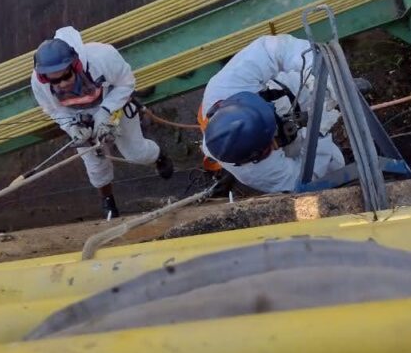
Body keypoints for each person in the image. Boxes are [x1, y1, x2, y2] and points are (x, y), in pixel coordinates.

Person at [31, 26, 173, 218]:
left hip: (113, 103)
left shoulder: (102, 57)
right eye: (55, 81)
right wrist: (72, 127)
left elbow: (126, 83)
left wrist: (106, 112)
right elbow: (54, 110)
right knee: (95, 163)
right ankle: (108, 201)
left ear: (75, 66)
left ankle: (158, 156)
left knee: (136, 153)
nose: (62, 84)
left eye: (66, 76)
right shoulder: (39, 83)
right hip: (79, 117)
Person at [200, 35, 344, 193]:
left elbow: (272, 50)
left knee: (313, 82)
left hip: (290, 86)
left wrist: (314, 69)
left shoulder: (224, 87)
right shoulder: (259, 172)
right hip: (292, 145)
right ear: (264, 151)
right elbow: (302, 180)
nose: (269, 105)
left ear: (221, 105)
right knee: (333, 166)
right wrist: (319, 133)